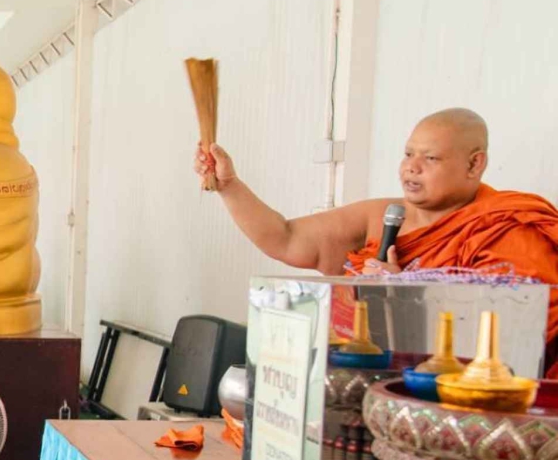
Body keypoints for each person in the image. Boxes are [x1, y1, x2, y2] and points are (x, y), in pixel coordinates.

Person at [197, 108, 558, 375]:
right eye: (408, 154)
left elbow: (515, 337)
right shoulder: (382, 215)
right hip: (368, 386)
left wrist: (404, 298)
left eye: (429, 158)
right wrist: (230, 187)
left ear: (474, 164)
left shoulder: (508, 226)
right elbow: (287, 239)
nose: (411, 167)